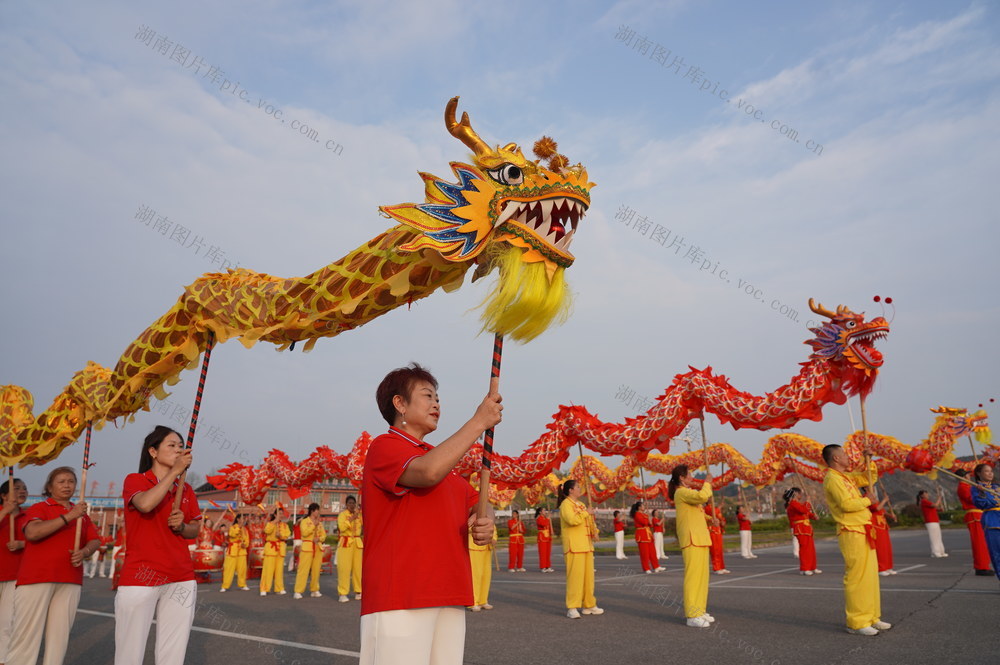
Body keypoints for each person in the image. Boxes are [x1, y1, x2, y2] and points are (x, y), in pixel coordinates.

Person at [360, 363, 500, 664]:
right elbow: (427, 473)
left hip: (449, 591)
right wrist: (478, 422)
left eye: (437, 396)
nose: (436, 403)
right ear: (399, 403)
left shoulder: (441, 461)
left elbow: (478, 500)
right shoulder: (385, 447)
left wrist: (485, 518)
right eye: (427, 395)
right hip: (402, 593)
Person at [114, 425, 203, 665]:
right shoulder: (136, 480)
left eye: (181, 446)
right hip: (141, 576)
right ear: (153, 452)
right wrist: (174, 472)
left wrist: (183, 527)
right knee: (129, 652)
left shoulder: (186, 489)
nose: (178, 450)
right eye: (171, 445)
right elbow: (144, 504)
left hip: (181, 575)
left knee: (173, 652)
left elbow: (196, 527)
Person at [6, 466, 100, 665]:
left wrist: (84, 552)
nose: (67, 485)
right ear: (49, 487)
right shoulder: (40, 508)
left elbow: (95, 540)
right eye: (61, 481)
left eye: (71, 481)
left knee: (60, 638)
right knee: (26, 635)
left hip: (70, 579)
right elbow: (32, 533)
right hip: (36, 578)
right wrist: (69, 516)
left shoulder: (81, 513)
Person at [822, 444, 890, 636]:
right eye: (843, 453)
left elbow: (867, 478)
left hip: (864, 529)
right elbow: (846, 505)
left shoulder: (846, 478)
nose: (846, 456)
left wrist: (869, 461)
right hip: (850, 530)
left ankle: (872, 617)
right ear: (835, 458)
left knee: (869, 577)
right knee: (857, 577)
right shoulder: (832, 479)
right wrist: (868, 500)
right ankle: (857, 622)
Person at [668, 465, 714, 628]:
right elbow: (702, 497)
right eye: (690, 474)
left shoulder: (687, 493)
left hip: (700, 537)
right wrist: (707, 483)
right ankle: (692, 615)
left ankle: (700, 610)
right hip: (691, 539)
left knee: (702, 577)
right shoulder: (681, 492)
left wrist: (710, 518)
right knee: (693, 577)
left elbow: (697, 511)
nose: (692, 477)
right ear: (682, 477)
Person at [559, 480, 603, 619]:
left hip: (586, 545)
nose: (580, 489)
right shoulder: (565, 505)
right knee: (575, 578)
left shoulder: (582, 504)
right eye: (578, 487)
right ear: (571, 490)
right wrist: (586, 513)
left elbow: (589, 520)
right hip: (574, 546)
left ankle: (589, 605)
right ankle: (572, 607)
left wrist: (595, 530)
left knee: (588, 578)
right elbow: (572, 520)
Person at [0, 477, 29, 664]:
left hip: (15, 576)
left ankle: (3, 658)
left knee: (7, 621)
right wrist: (5, 513)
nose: (22, 491)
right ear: (3, 495)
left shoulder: (30, 516)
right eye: (16, 488)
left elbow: (39, 542)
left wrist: (22, 543)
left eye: (24, 488)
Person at [956, 468, 994, 576]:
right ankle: (981, 567)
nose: (970, 476)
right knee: (979, 542)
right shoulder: (963, 487)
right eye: (968, 474)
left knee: (983, 542)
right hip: (974, 515)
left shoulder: (968, 486)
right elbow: (972, 499)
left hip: (979, 514)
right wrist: (981, 491)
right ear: (964, 476)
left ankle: (984, 565)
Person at [970, 463, 1000, 582]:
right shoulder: (975, 487)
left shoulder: (997, 487)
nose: (990, 473)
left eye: (991, 471)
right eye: (986, 471)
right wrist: (982, 493)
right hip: (992, 520)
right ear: (979, 473)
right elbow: (982, 503)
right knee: (997, 554)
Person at [784, 488, 821, 575]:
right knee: (805, 549)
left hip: (807, 528)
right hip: (801, 529)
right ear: (795, 494)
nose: (801, 495)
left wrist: (813, 516)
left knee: (811, 549)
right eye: (799, 493)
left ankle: (812, 567)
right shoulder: (792, 503)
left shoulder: (798, 504)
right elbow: (803, 510)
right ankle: (805, 568)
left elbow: (806, 513)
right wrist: (807, 502)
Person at [860, 487, 897, 576]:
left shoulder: (874, 498)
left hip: (882, 525)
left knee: (887, 547)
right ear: (865, 487)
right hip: (875, 526)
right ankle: (881, 568)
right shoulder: (866, 497)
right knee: (880, 547)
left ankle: (888, 567)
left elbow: (882, 510)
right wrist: (884, 500)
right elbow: (875, 509)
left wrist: (890, 515)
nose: (873, 487)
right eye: (871, 485)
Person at [294, 503, 326, 599]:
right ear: (312, 511)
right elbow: (304, 532)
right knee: (303, 570)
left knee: (316, 570)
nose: (318, 512)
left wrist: (319, 539)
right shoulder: (305, 521)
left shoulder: (319, 523)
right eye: (317, 510)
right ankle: (298, 591)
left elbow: (324, 535)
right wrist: (313, 525)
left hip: (317, 548)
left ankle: (314, 589)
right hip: (307, 547)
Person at [336, 496, 363, 602]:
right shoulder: (342, 515)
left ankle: (358, 591)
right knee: (344, 569)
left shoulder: (359, 515)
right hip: (346, 542)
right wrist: (351, 518)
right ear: (346, 504)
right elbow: (341, 528)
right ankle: (343, 593)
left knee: (358, 569)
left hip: (357, 542)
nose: (352, 505)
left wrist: (359, 514)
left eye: (353, 503)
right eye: (350, 503)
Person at [261, 510, 291, 596]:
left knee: (279, 571)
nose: (281, 515)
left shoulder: (285, 525)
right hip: (271, 548)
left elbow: (287, 535)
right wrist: (275, 522)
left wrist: (280, 536)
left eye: (282, 514)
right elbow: (267, 531)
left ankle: (279, 588)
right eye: (279, 513)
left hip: (280, 549)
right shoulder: (270, 523)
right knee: (268, 570)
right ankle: (264, 588)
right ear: (275, 514)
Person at [467, 526, 497, 611]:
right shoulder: (470, 517)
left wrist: (493, 539)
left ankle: (483, 600)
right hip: (474, 548)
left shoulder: (487, 517)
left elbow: (493, 530)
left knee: (486, 575)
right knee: (476, 575)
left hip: (486, 548)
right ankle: (474, 602)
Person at [220, 514, 249, 592]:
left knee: (242, 569)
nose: (244, 520)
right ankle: (225, 585)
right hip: (232, 550)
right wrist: (239, 527)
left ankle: (242, 584)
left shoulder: (245, 530)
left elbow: (247, 540)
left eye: (244, 519)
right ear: (238, 519)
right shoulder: (232, 527)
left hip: (242, 551)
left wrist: (245, 544)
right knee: (229, 569)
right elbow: (232, 535)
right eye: (243, 518)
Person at [630, 501, 662, 574]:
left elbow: (650, 525)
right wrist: (648, 517)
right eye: (643, 506)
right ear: (639, 507)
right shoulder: (637, 514)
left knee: (652, 552)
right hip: (642, 534)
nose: (644, 507)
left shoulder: (644, 514)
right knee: (645, 553)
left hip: (648, 534)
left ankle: (656, 566)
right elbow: (644, 522)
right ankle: (646, 568)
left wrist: (649, 517)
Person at [917, 489, 948, 558]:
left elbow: (935, 508)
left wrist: (941, 509)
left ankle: (941, 551)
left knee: (938, 537)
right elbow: (935, 505)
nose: (927, 495)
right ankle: (935, 552)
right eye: (926, 494)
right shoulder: (924, 501)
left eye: (927, 493)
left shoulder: (927, 502)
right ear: (922, 495)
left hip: (935, 521)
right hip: (930, 521)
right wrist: (939, 499)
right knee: (934, 537)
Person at [705, 503, 730, 575]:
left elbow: (720, 517)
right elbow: (713, 513)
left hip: (718, 530)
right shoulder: (707, 508)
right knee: (714, 550)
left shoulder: (715, 509)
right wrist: (719, 508)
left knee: (719, 550)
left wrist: (722, 522)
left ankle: (722, 567)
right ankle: (716, 568)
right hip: (712, 530)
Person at [535, 507, 554, 572]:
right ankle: (543, 567)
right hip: (542, 536)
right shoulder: (539, 518)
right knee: (542, 552)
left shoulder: (546, 518)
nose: (545, 511)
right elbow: (543, 524)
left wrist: (551, 531)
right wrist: (548, 518)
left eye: (545, 510)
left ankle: (548, 566)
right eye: (544, 510)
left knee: (548, 552)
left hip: (547, 536)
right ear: (540, 512)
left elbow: (548, 526)